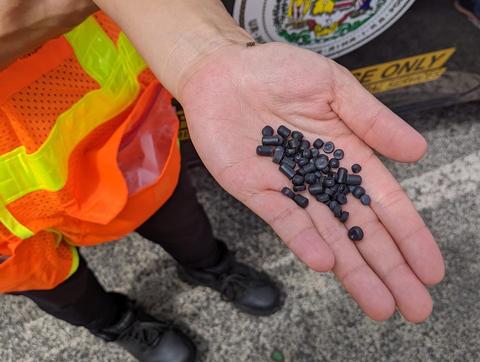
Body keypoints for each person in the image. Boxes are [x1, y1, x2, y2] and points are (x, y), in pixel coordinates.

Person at [0, 1, 445, 361]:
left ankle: (210, 268)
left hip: (117, 135)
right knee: (51, 282)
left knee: (181, 221)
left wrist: (208, 49)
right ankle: (115, 323)